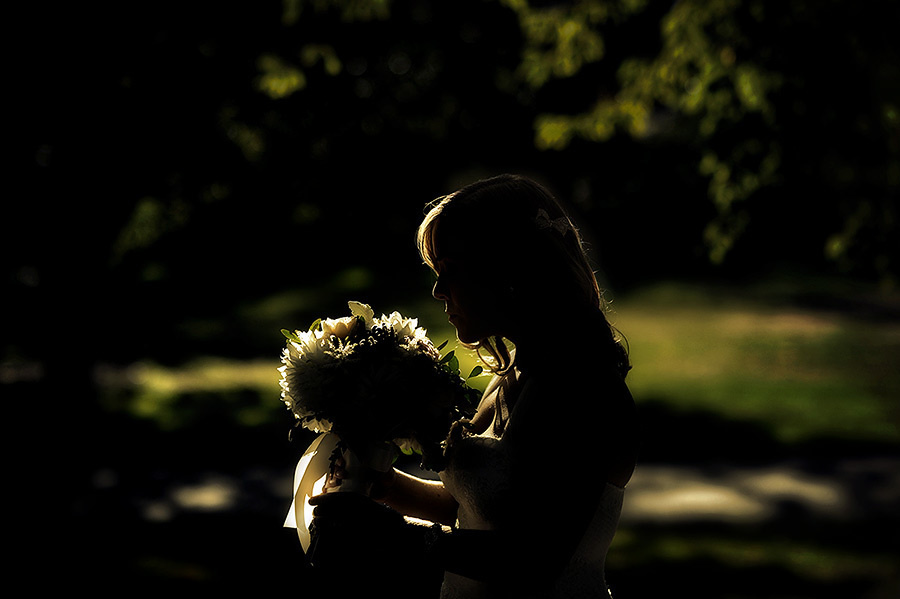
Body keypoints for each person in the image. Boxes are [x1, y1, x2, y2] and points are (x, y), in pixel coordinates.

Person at [308, 174, 639, 598]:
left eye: (450, 271)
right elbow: (475, 506)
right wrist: (383, 486)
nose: (437, 290)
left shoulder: (582, 392)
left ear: (508, 272)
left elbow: (534, 558)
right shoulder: (510, 378)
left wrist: (392, 537)